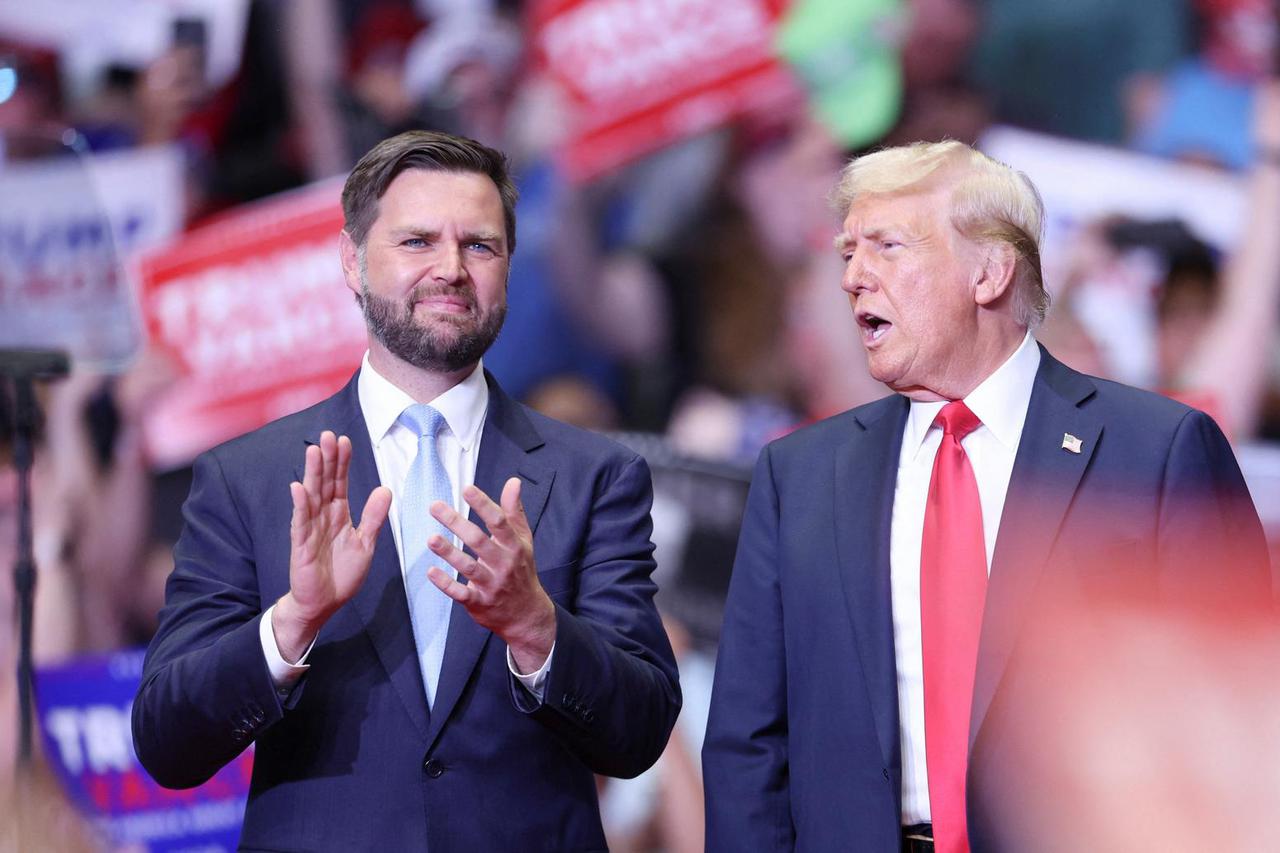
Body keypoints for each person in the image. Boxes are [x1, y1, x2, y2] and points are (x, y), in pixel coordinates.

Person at [701, 140, 1271, 852]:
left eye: (885, 246)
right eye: (848, 251)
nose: (853, 276)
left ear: (990, 271)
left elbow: (1235, 726)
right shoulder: (800, 475)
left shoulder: (1156, 453)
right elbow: (748, 744)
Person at [132, 130, 681, 850]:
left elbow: (639, 731)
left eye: (479, 245)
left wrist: (535, 625)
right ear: (351, 264)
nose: (451, 268)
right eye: (417, 241)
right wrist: (293, 621)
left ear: (510, 266)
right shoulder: (248, 476)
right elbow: (168, 741)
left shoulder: (596, 475)